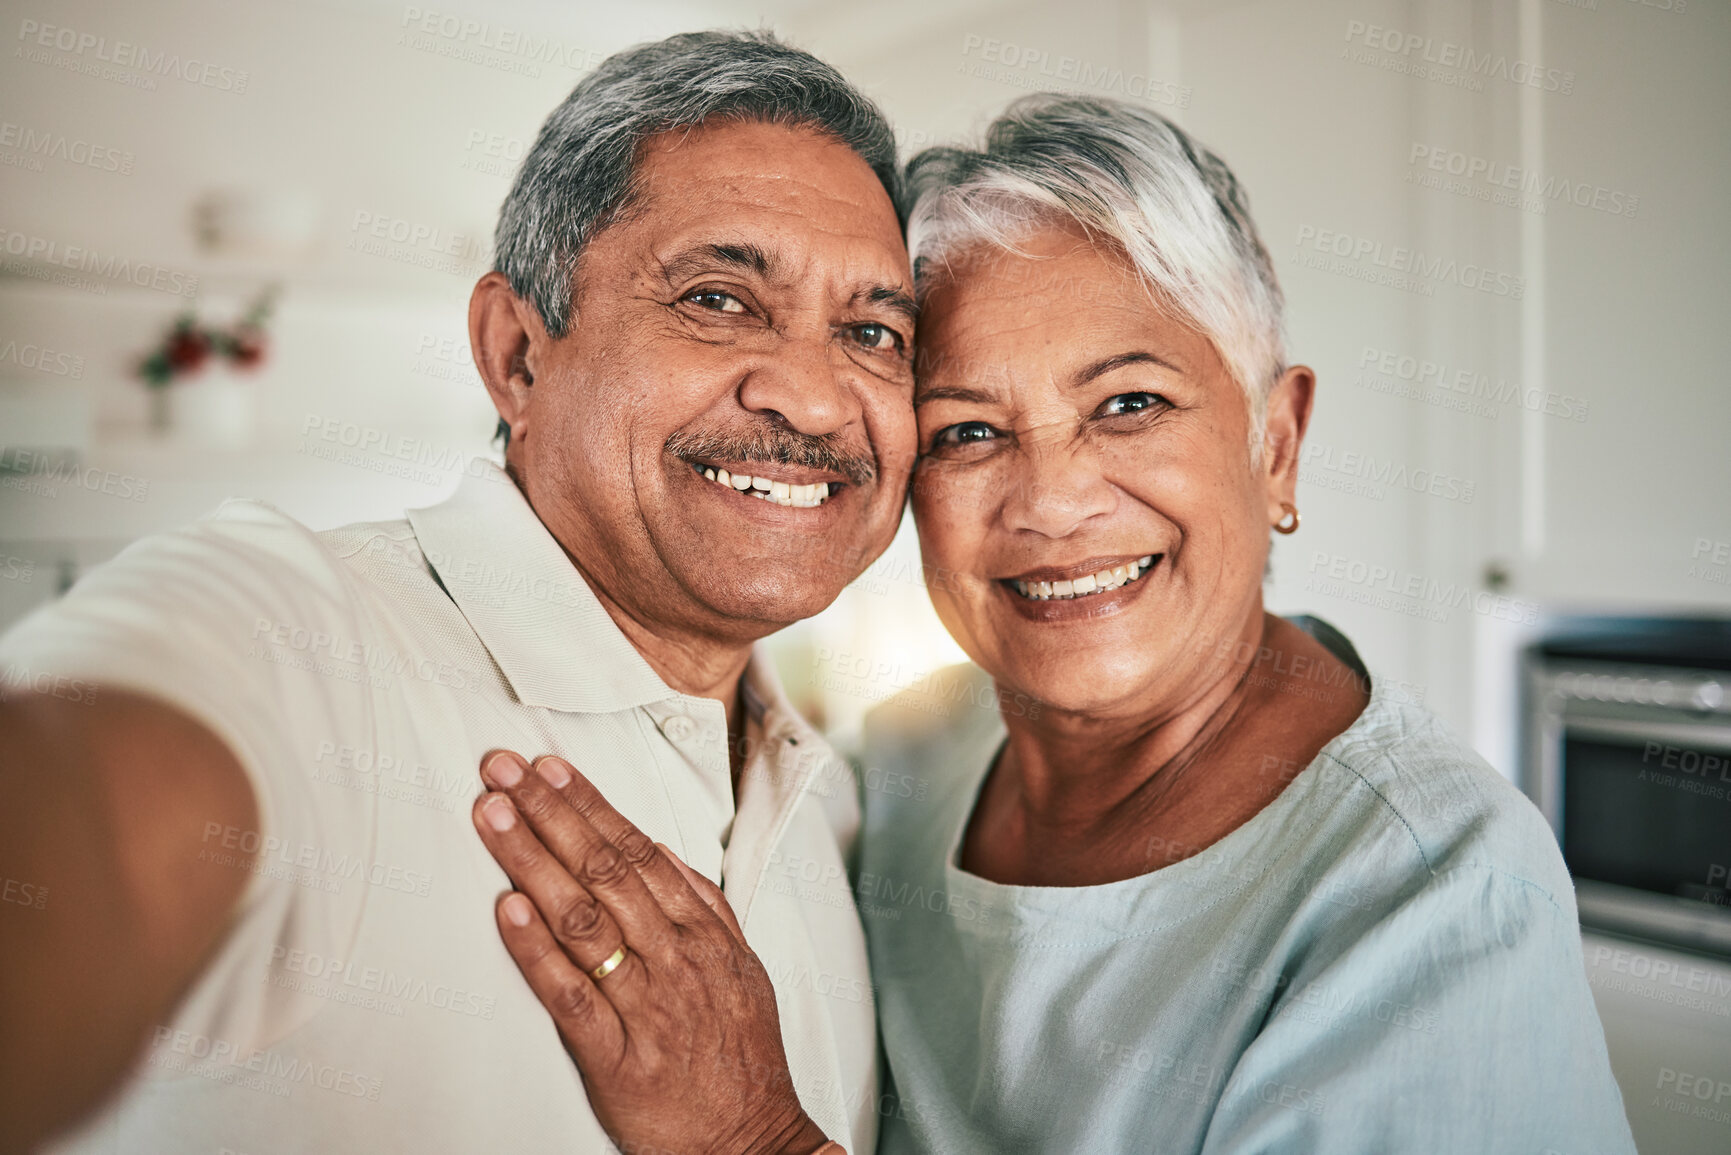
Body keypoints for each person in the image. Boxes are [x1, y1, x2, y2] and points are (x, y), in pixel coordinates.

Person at [471, 95, 1639, 1153]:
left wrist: (753, 1140)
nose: (1052, 503)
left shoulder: (1435, 887)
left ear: (1274, 442)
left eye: (1129, 404)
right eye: (967, 431)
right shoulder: (908, 759)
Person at [0, 30, 916, 1155]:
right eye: (720, 300)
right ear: (518, 355)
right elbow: (79, 808)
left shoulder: (831, 803)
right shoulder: (300, 636)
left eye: (873, 332)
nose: (817, 401)